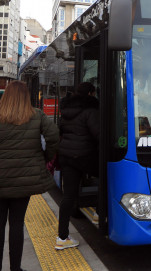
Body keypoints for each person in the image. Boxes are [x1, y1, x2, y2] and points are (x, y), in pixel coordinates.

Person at [0, 81, 59, 271]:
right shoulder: (36, 115)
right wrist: (44, 158)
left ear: (6, 95)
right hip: (25, 177)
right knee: (17, 224)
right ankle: (15, 268)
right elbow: (53, 137)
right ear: (26, 96)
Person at [56, 82, 100, 250]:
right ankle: (99, 212)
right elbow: (98, 134)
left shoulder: (66, 111)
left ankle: (62, 237)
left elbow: (61, 131)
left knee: (68, 196)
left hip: (67, 156)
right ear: (90, 94)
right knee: (108, 175)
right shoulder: (90, 111)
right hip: (84, 156)